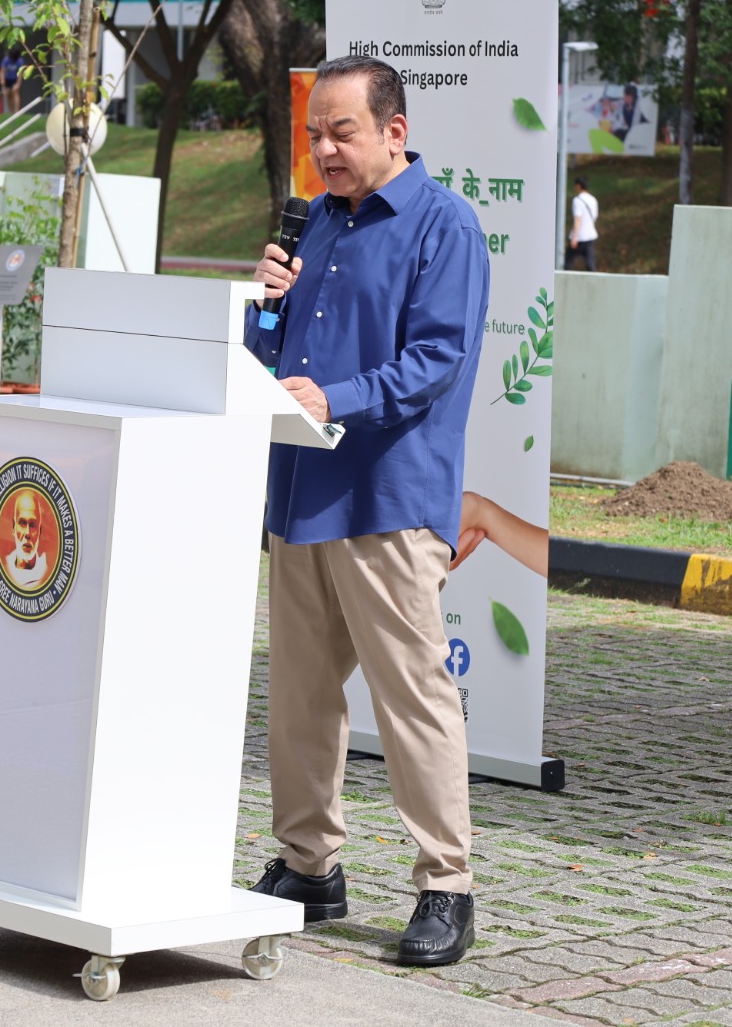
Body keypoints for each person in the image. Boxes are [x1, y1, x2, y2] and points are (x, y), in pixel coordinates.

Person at [245, 54, 489, 969]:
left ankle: (446, 888)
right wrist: (264, 303)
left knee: (413, 700)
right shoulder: (317, 227)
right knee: (302, 699)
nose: (323, 150)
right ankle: (310, 866)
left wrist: (333, 397)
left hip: (388, 497)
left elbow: (435, 361)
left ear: (395, 130)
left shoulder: (444, 225)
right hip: (301, 493)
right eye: (314, 133)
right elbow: (273, 360)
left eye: (341, 132)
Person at [4, 489, 48, 590]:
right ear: (14, 528)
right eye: (22, 523)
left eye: (32, 525)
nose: (27, 533)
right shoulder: (5, 567)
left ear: (39, 531)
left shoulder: (46, 574)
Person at [567, 176, 598, 271]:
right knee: (590, 264)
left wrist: (574, 237)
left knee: (567, 263)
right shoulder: (593, 199)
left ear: (579, 186)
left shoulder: (577, 201)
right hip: (591, 235)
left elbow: (578, 219)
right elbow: (595, 216)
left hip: (580, 237)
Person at [0, 50, 24, 115]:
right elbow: (2, 71)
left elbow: (21, 74)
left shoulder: (20, 61)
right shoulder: (6, 60)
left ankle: (17, 112)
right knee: (8, 95)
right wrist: (2, 81)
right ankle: (10, 112)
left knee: (15, 93)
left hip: (15, 79)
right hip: (7, 79)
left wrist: (18, 84)